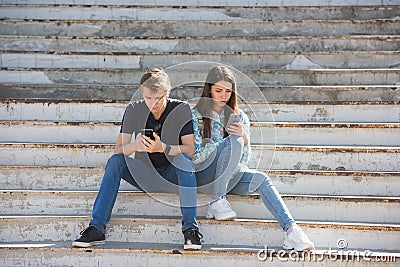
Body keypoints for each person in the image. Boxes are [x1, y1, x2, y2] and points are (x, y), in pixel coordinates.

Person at [72, 68, 203, 250]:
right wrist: (134, 146)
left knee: (183, 160)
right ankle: (97, 228)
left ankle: (190, 230)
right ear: (142, 93)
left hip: (173, 175)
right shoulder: (134, 109)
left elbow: (190, 150)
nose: (153, 103)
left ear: (167, 93)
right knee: (115, 161)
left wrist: (163, 148)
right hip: (145, 175)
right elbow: (118, 150)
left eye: (158, 98)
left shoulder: (181, 109)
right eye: (148, 98)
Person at [192, 65, 314, 251]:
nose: (223, 96)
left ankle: (292, 230)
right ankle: (216, 201)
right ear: (208, 89)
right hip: (205, 177)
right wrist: (224, 147)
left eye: (228, 91)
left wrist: (244, 138)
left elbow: (244, 160)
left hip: (230, 179)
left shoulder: (239, 116)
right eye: (218, 91)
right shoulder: (195, 115)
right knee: (233, 142)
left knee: (262, 178)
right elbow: (195, 157)